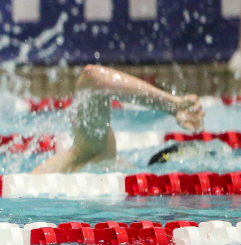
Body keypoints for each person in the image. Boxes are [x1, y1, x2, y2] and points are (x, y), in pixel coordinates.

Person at [32, 65, 204, 173]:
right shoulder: (91, 150)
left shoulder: (99, 157)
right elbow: (92, 76)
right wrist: (172, 106)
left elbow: (92, 77)